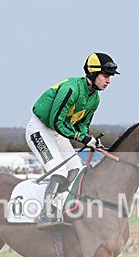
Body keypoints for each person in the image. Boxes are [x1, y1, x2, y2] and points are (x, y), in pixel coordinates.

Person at [26, 52, 119, 228]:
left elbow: (83, 125)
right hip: (40, 129)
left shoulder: (95, 99)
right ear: (93, 74)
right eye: (106, 76)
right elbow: (56, 121)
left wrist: (89, 138)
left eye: (110, 77)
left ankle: (60, 209)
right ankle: (45, 215)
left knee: (76, 169)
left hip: (58, 133)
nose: (109, 81)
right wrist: (82, 138)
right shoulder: (71, 89)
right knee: (59, 172)